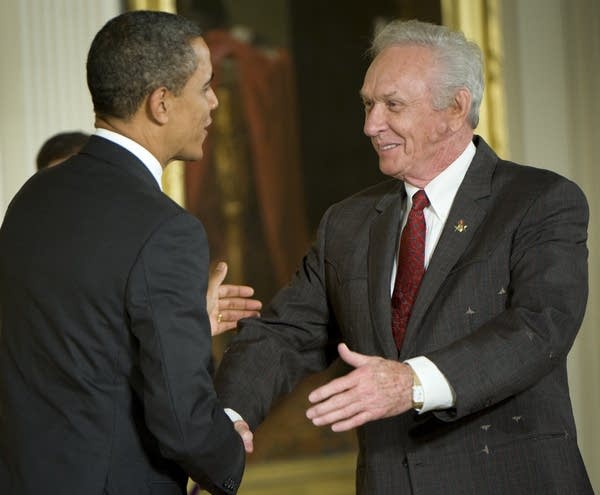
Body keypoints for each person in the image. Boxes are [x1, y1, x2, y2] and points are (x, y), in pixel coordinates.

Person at [215, 19, 593, 494]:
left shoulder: (538, 201)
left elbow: (540, 329)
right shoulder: (346, 224)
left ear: (455, 109)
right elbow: (283, 335)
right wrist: (226, 418)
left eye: (392, 105)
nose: (371, 125)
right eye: (369, 104)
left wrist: (411, 383)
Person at [0, 10, 258, 495]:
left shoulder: (31, 197)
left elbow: (75, 348)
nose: (214, 102)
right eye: (204, 87)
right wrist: (224, 454)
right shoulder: (168, 230)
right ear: (161, 103)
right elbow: (182, 424)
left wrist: (181, 323)